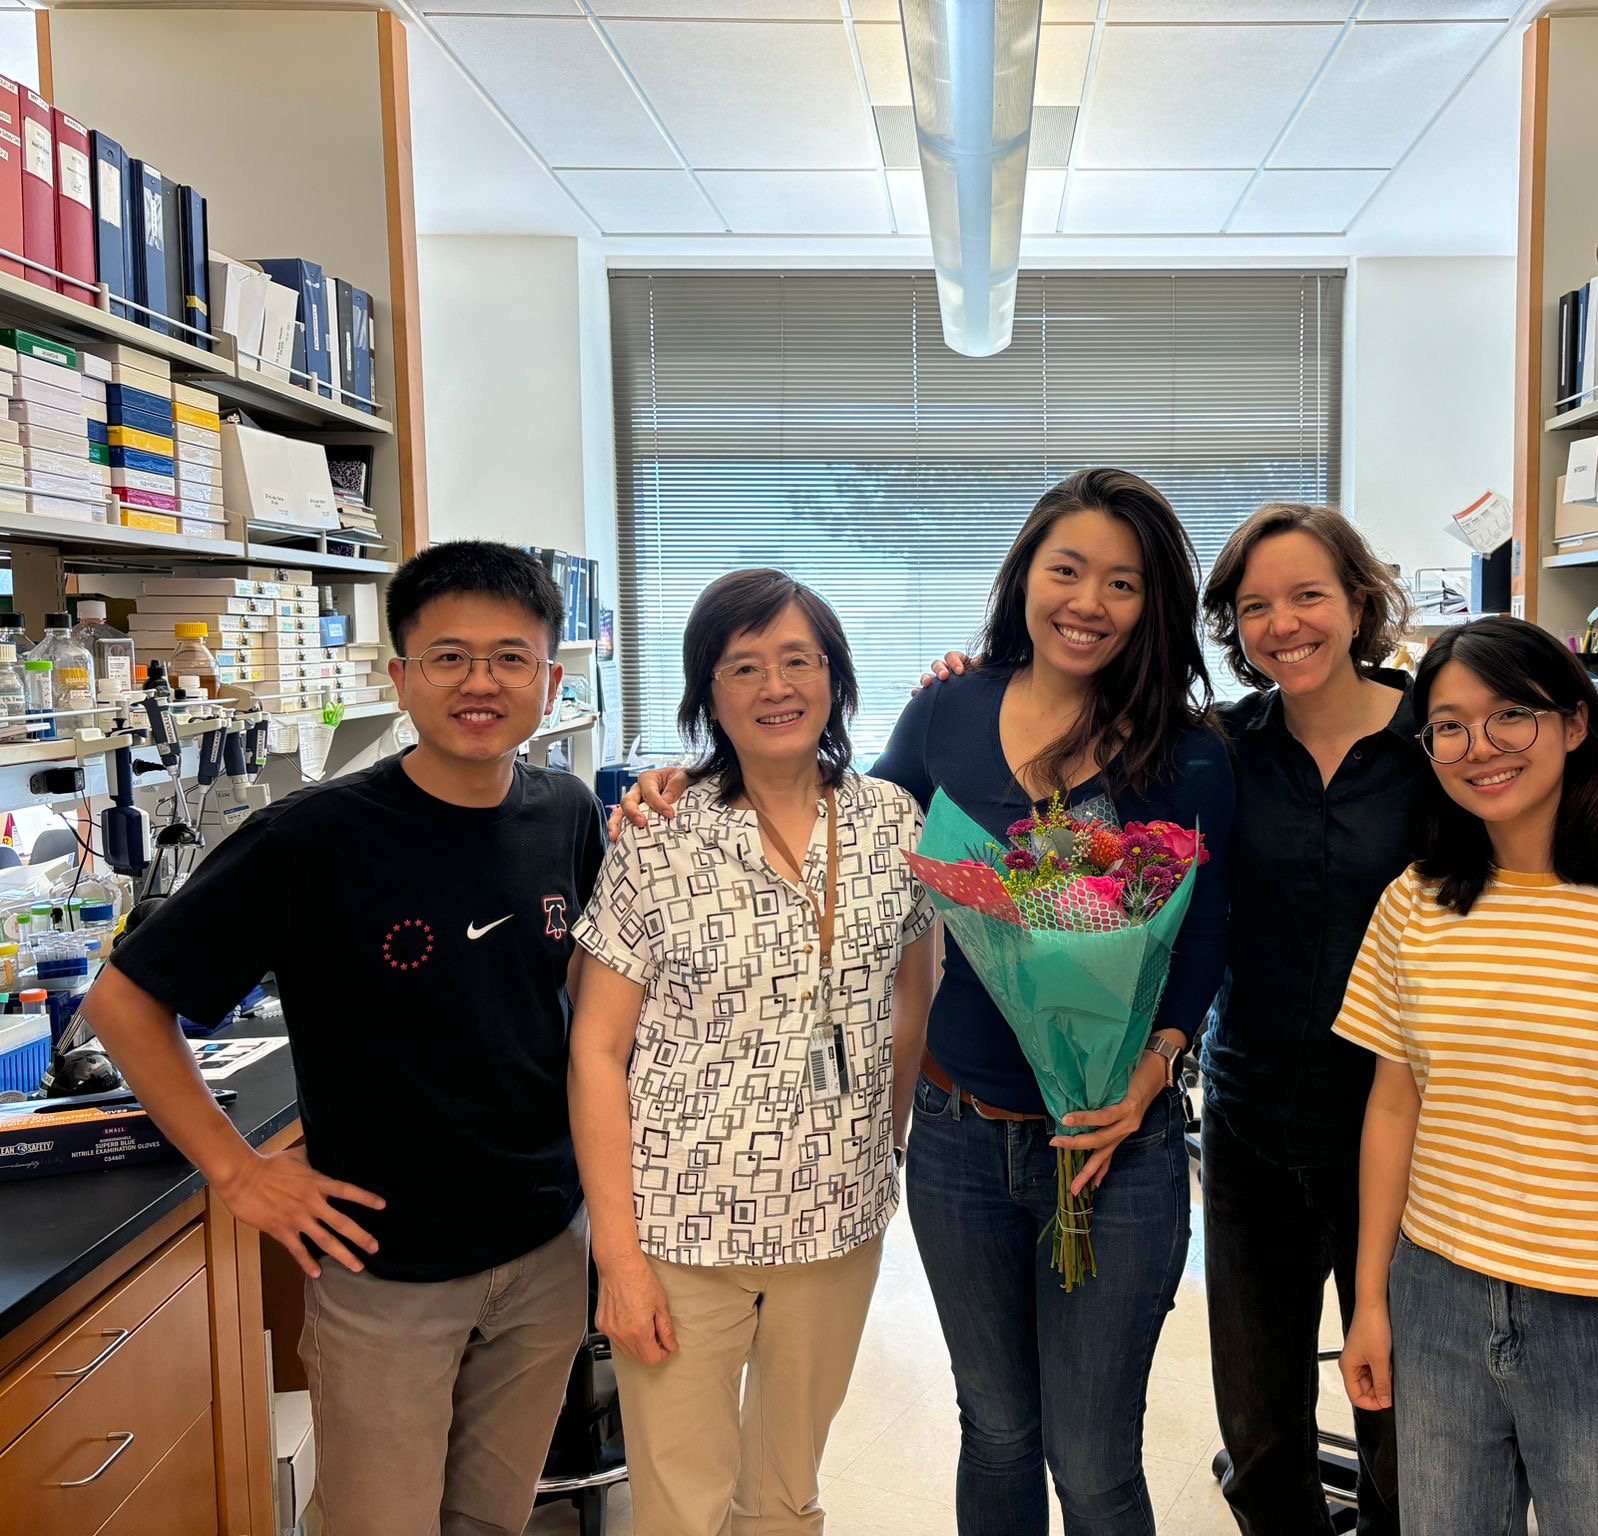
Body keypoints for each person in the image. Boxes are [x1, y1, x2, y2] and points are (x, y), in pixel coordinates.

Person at [902, 503, 1598, 1535]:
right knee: (1259, 1434)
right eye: (1254, 605)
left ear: (1357, 602)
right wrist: (960, 683)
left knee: (1408, 1440)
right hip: (1254, 1124)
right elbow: (1190, 920)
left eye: (1307, 595)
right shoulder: (1220, 748)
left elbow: (1542, 832)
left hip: (1411, 1137)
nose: (1283, 623)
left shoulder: (1434, 735)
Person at [617, 468, 1234, 1536]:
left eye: (1122, 582)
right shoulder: (949, 708)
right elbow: (830, 804)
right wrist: (686, 781)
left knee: (1094, 1463)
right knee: (993, 1431)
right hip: (958, 1137)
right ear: (1025, 577)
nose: (1088, 601)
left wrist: (1147, 1078)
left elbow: (1202, 938)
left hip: (1114, 1141)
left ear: (1153, 605)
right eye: (1066, 570)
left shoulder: (1188, 753)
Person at [82, 542, 605, 1536]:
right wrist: (237, 1173)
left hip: (545, 1244)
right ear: (400, 677)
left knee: (494, 1520)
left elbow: (577, 996)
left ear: (550, 680)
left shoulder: (566, 812)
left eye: (511, 658)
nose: (481, 683)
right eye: (448, 657)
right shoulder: (314, 836)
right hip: (384, 1265)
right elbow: (122, 1002)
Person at [1335, 615, 1598, 1536]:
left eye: (1510, 714)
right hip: (1437, 1295)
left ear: (1574, 723)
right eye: (1448, 726)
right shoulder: (1413, 904)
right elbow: (1393, 1108)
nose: (1480, 747)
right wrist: (1371, 1300)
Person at [568, 570, 939, 1535]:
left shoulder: (894, 822)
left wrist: (888, 1142)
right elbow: (596, 1051)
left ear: (836, 678)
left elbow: (915, 995)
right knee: (680, 1507)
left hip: (839, 1219)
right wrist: (619, 1258)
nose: (776, 686)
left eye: (798, 660)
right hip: (682, 1230)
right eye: (743, 667)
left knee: (786, 1497)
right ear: (708, 693)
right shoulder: (658, 835)